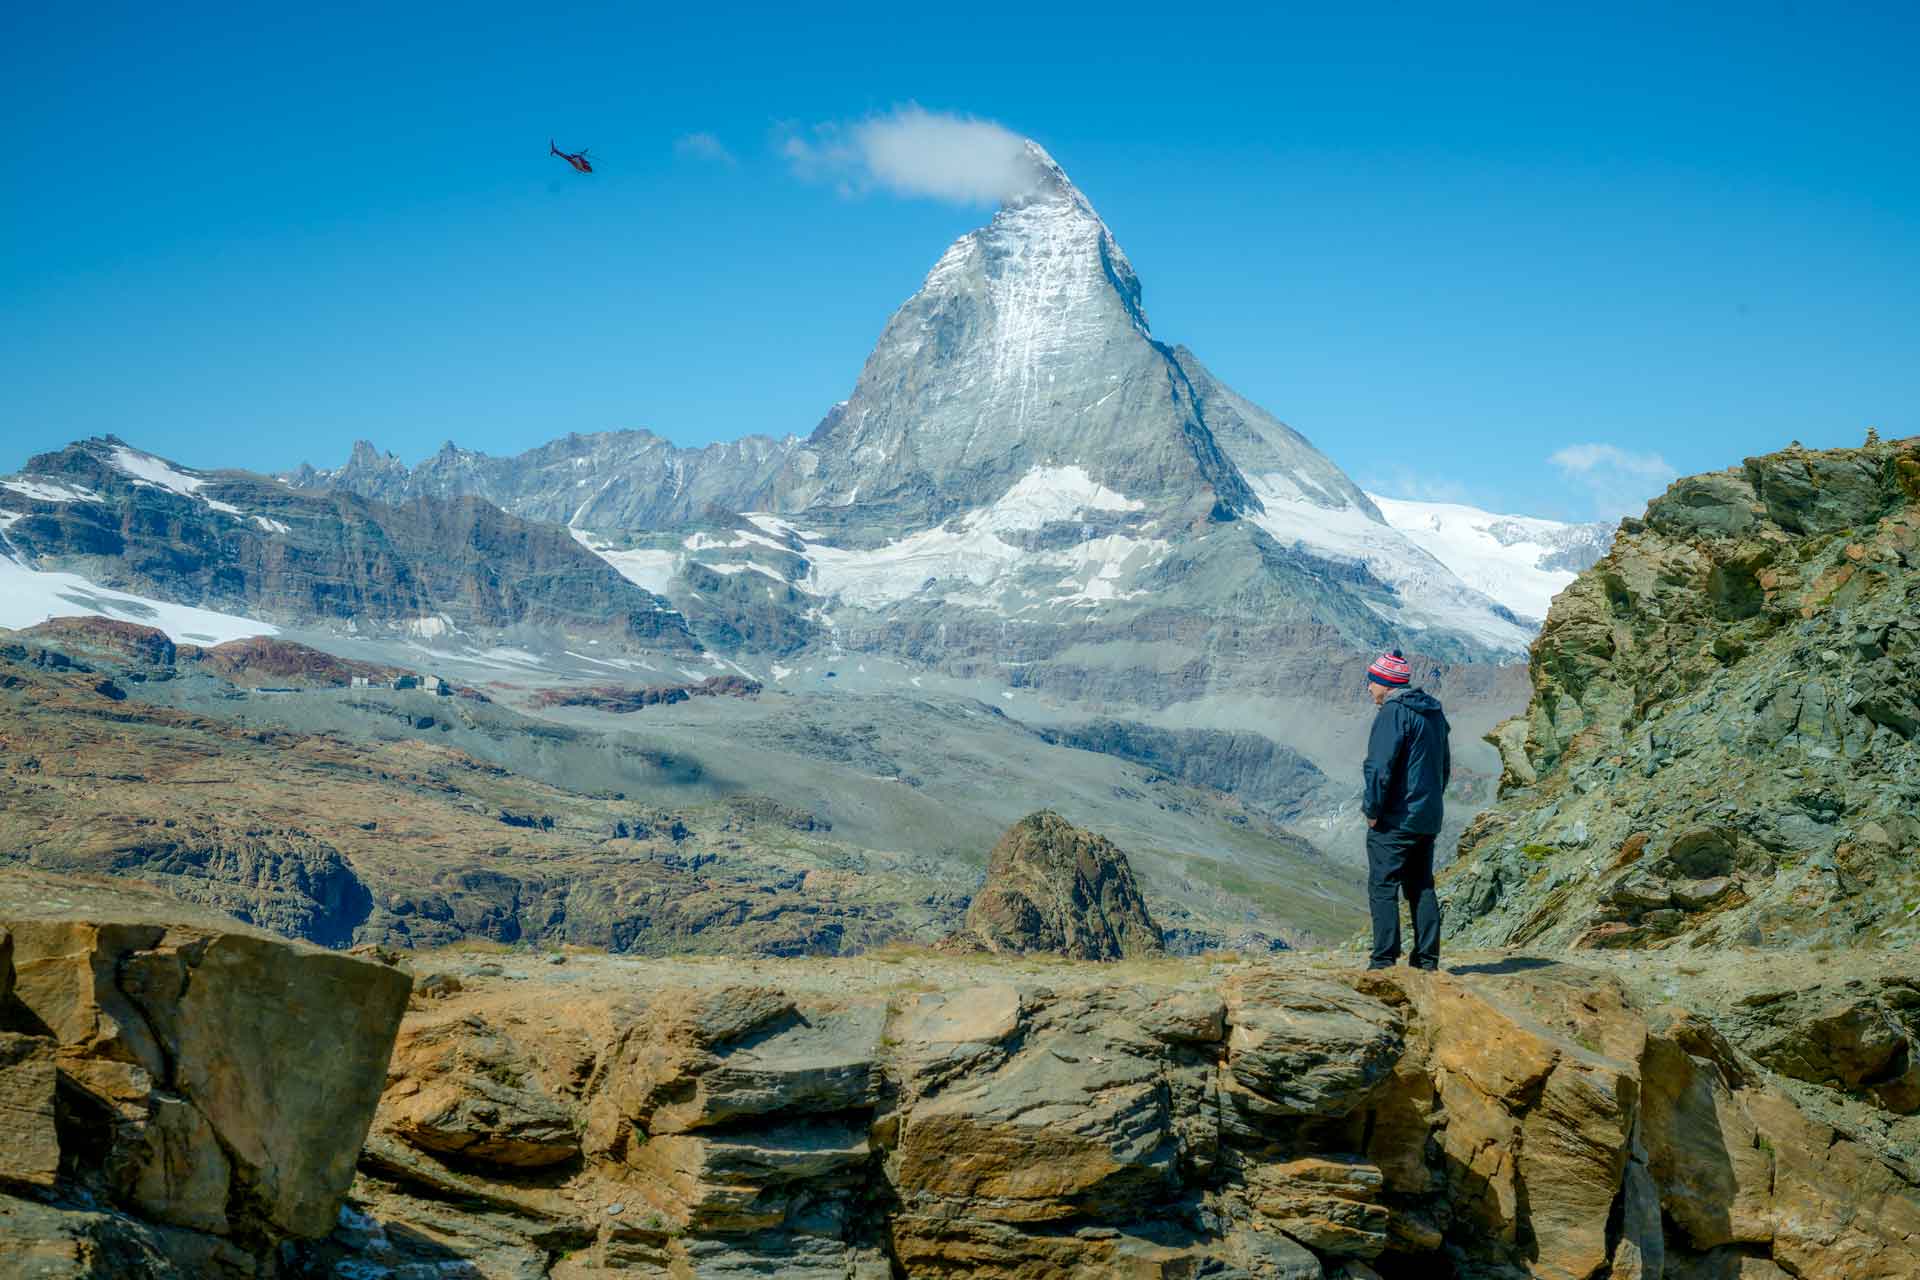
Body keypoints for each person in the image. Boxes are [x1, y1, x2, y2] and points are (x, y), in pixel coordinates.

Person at [1360, 648, 1450, 971]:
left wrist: (1372, 810)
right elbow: (1444, 767)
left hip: (1396, 819)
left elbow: (1378, 768)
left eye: (1372, 681)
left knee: (1383, 884)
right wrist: (1430, 805)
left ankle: (1383, 960)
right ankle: (1427, 960)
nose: (1369, 687)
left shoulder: (1393, 713)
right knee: (1421, 885)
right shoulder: (1434, 713)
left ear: (1385, 683)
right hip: (1426, 817)